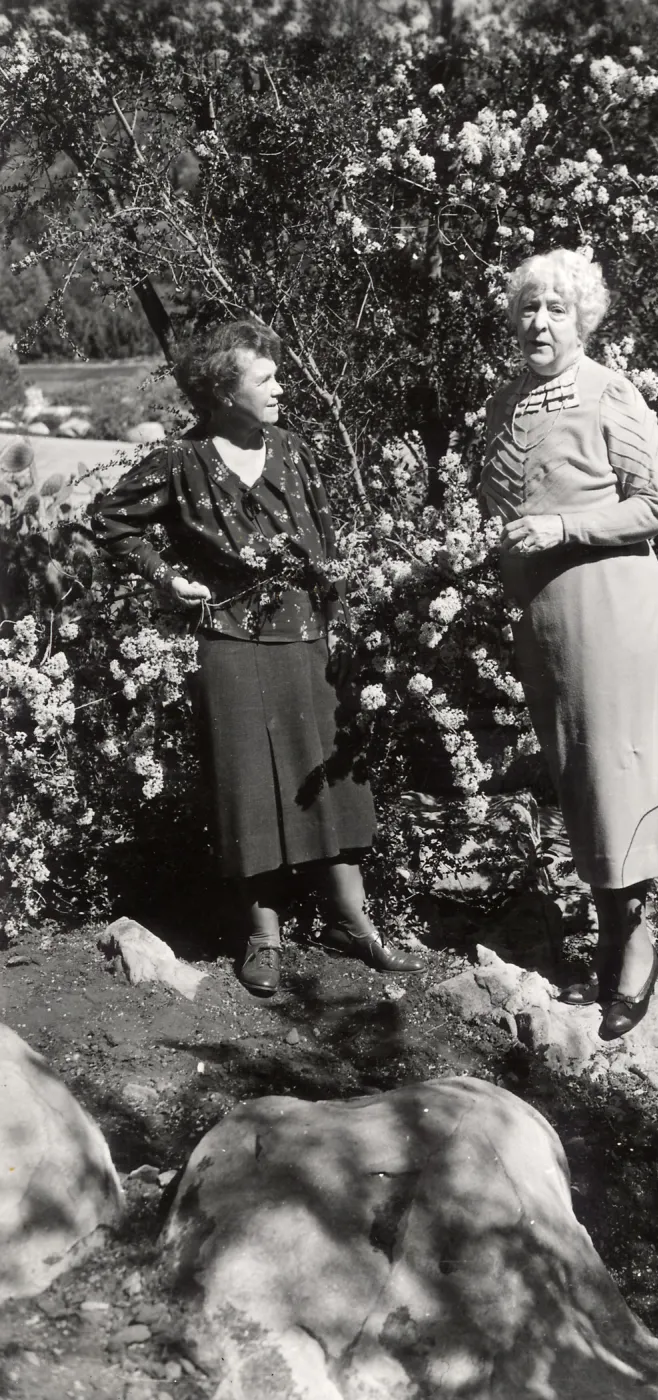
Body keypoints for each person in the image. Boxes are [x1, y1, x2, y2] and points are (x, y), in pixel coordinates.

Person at [93, 319, 423, 995]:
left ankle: (354, 923)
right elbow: (111, 520)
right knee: (247, 787)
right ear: (223, 390)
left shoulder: (291, 449)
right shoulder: (180, 461)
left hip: (306, 637)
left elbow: (326, 542)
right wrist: (168, 578)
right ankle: (262, 936)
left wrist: (341, 622)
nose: (279, 388)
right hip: (229, 639)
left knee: (331, 781)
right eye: (265, 378)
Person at [481, 249, 658, 1040]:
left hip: (609, 608)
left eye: (556, 310)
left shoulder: (610, 393)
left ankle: (633, 945)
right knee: (579, 776)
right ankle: (610, 926)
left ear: (584, 320)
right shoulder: (506, 401)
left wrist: (563, 526)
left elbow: (656, 507)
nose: (538, 323)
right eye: (528, 308)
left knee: (616, 775)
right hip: (545, 619)